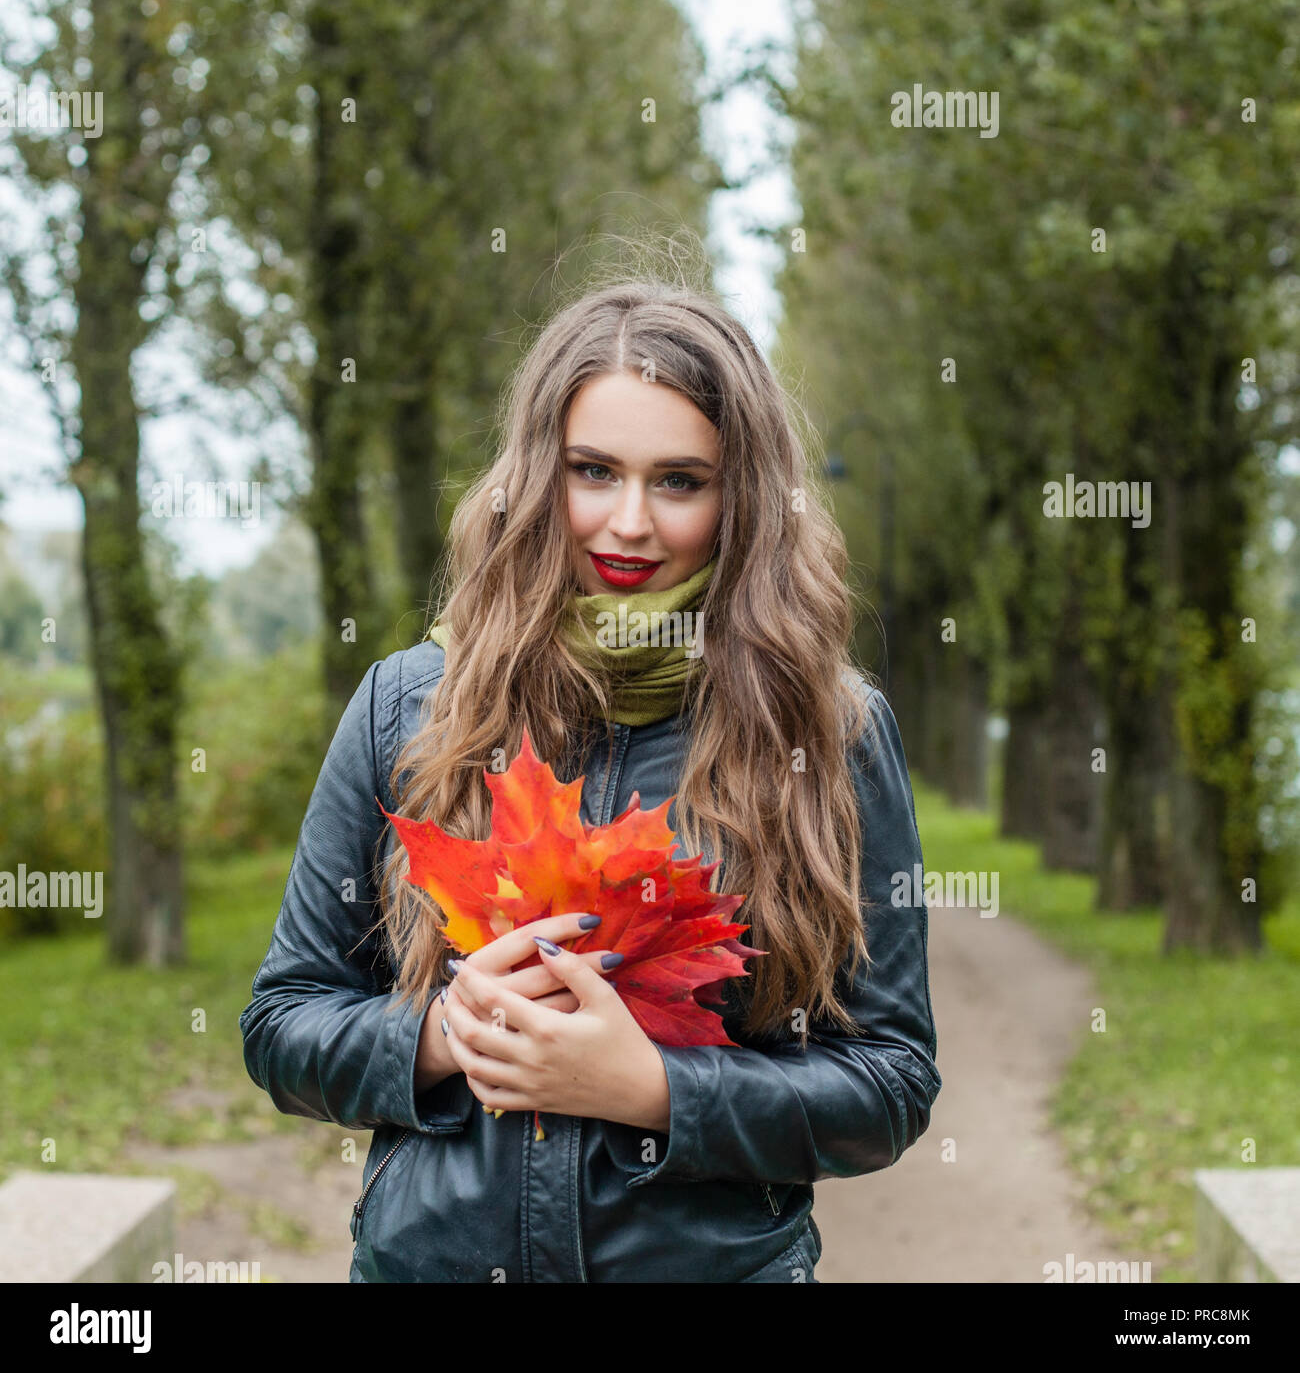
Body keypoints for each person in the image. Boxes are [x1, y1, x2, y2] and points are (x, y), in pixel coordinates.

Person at [238, 275, 941, 1283]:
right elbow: (283, 1023)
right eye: (593, 470)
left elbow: (889, 1083)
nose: (629, 522)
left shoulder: (829, 729)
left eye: (680, 480)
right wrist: (440, 1037)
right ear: (536, 473)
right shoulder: (408, 706)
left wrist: (656, 1090)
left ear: (741, 495)